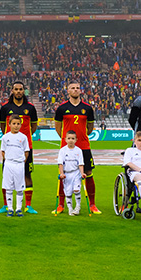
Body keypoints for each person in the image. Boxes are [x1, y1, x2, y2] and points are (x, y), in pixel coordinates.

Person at [53, 81, 101, 214]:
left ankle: (92, 205)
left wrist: (81, 137)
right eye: (72, 88)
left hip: (84, 146)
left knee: (89, 173)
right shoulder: (62, 108)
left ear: (81, 91)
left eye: (77, 88)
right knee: (64, 175)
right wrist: (67, 141)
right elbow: (58, 128)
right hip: (66, 148)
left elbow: (90, 128)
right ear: (67, 91)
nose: (75, 90)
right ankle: (61, 205)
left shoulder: (88, 108)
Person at [0, 81, 38, 214]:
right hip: (10, 149)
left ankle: (28, 205)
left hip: (25, 146)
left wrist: (24, 137)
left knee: (27, 174)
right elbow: (3, 126)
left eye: (21, 89)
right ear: (12, 91)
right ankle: (6, 205)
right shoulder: (5, 108)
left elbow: (33, 126)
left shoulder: (30, 108)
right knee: (6, 176)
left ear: (24, 91)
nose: (19, 91)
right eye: (16, 89)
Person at [0, 115, 29, 217]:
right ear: (9, 124)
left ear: (21, 125)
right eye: (14, 124)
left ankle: (18, 208)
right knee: (8, 187)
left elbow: (26, 152)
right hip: (9, 164)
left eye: (18, 124)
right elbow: (3, 152)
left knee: (19, 187)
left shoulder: (23, 137)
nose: (16, 126)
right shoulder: (5, 137)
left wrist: (21, 161)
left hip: (19, 164)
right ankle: (10, 208)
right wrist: (8, 160)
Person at [57, 131, 85, 216]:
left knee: (76, 190)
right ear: (65, 139)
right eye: (69, 138)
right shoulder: (62, 150)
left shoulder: (79, 151)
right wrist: (61, 173)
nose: (71, 140)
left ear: (76, 140)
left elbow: (80, 163)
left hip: (76, 173)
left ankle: (78, 207)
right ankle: (70, 209)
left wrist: (82, 173)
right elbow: (60, 163)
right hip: (67, 174)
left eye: (73, 138)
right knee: (68, 193)